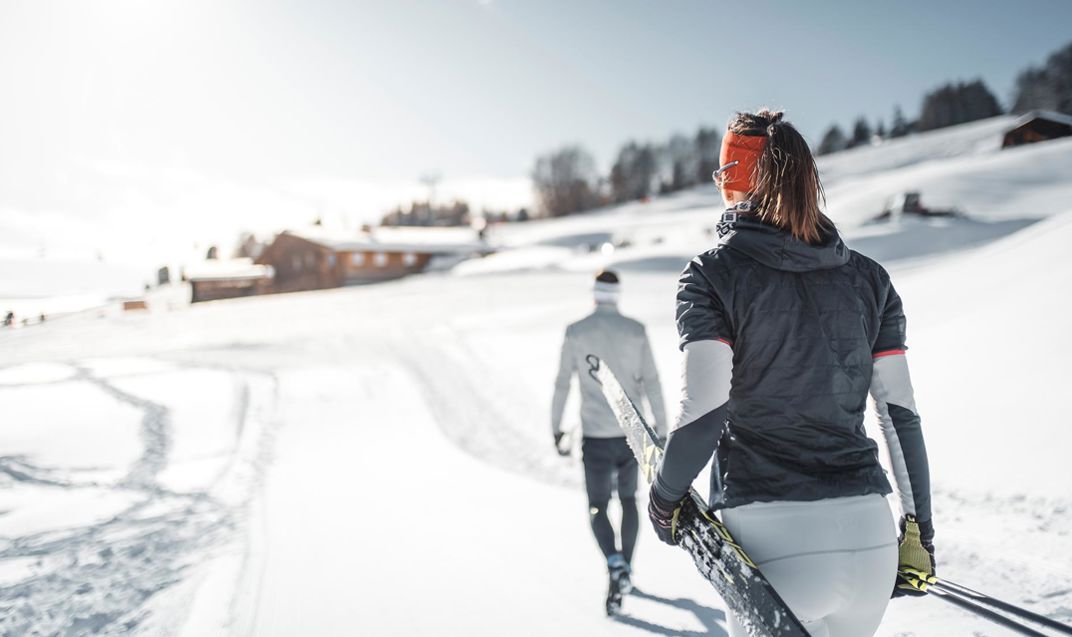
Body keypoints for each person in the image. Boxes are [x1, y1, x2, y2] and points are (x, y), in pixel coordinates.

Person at [646, 109, 934, 637]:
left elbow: (706, 410)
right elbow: (900, 416)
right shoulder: (871, 279)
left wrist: (665, 499)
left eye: (720, 174)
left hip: (772, 543)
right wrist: (921, 533)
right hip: (869, 543)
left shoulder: (711, 275)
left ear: (733, 178)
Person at [551, 269, 668, 614]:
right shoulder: (636, 331)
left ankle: (614, 562)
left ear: (594, 294)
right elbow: (653, 382)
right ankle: (626, 569)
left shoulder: (576, 332)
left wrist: (555, 427)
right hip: (632, 436)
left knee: (598, 505)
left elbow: (562, 383)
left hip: (596, 437)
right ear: (617, 295)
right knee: (629, 500)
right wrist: (661, 429)